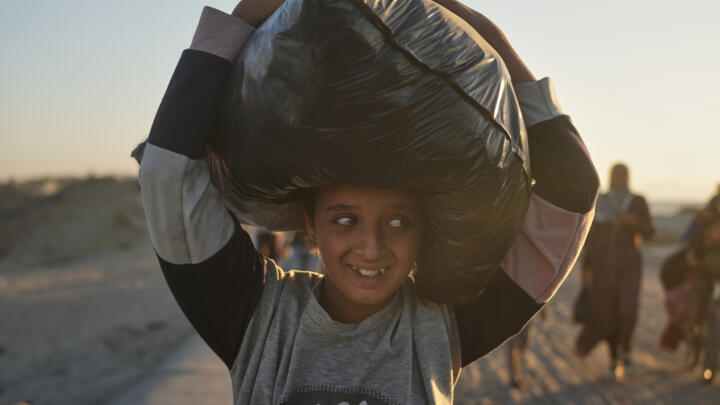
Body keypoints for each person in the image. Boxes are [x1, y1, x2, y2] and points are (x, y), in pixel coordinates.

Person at [136, 0, 598, 402]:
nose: (372, 247)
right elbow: (167, 175)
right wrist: (240, 20)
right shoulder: (256, 317)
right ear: (309, 225)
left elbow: (573, 192)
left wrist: (486, 35)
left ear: (423, 231)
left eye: (398, 223)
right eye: (345, 220)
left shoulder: (442, 330)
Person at [575, 163, 654, 380]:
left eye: (623, 175)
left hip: (630, 266)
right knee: (607, 314)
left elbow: (649, 231)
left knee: (627, 310)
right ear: (611, 177)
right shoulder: (600, 201)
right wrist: (586, 269)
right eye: (616, 175)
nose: (619, 179)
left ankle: (626, 352)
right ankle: (613, 361)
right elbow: (588, 239)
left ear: (629, 177)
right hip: (602, 266)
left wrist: (634, 222)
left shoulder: (638, 202)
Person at [660, 218, 720, 355]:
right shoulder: (698, 242)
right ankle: (692, 325)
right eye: (716, 228)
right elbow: (690, 258)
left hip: (715, 279)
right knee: (695, 294)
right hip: (701, 278)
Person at [505, 308, 547, 389]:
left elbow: (539, 294)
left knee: (523, 345)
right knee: (511, 346)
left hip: (527, 314)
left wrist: (543, 309)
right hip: (510, 314)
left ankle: (517, 369)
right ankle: (514, 376)